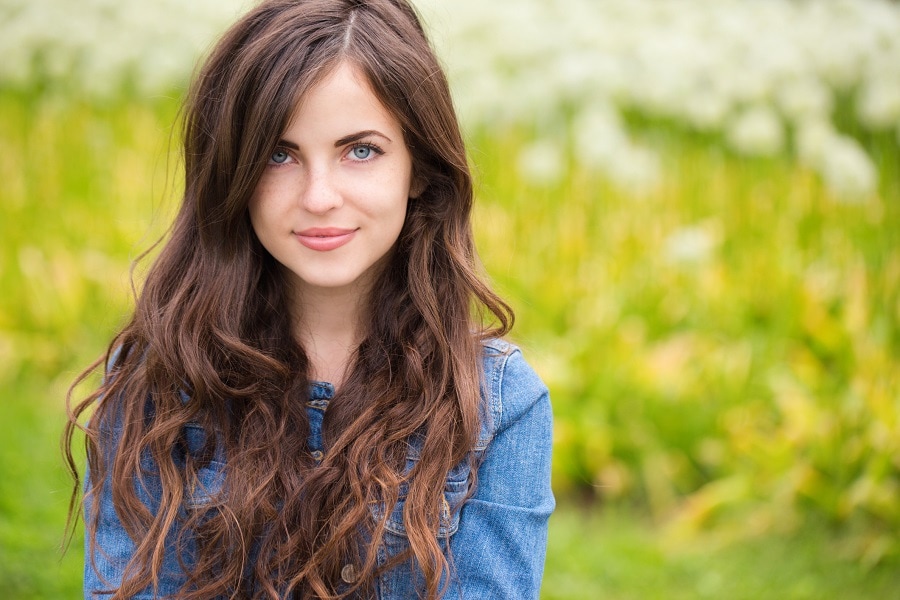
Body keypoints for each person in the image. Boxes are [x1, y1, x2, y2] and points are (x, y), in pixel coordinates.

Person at [64, 0, 554, 598]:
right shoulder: (158, 381)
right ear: (233, 174)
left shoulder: (501, 406)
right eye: (280, 154)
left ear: (419, 169)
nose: (319, 196)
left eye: (361, 150)